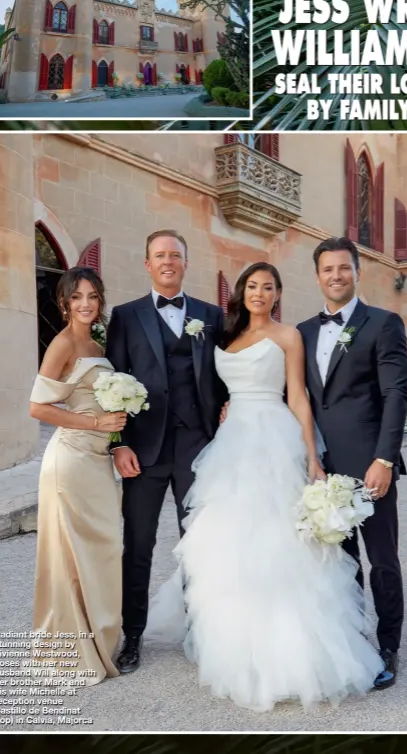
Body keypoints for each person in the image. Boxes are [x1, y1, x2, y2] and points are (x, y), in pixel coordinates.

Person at [145, 262, 383, 712]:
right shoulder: (223, 335)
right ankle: (231, 642)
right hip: (231, 444)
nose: (259, 293)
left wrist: (312, 455)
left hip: (275, 437)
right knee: (230, 542)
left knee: (280, 543)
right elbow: (210, 386)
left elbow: (297, 395)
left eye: (268, 287)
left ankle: (293, 653)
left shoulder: (288, 335)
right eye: (252, 286)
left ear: (278, 294)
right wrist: (225, 408)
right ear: (241, 292)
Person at [105, 229, 227, 675]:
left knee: (199, 545)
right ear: (147, 264)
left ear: (185, 263)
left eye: (175, 255)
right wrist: (117, 446)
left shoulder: (211, 315)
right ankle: (132, 636)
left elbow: (226, 373)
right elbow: (111, 385)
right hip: (143, 450)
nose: (168, 261)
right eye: (159, 255)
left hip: (198, 448)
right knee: (137, 544)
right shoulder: (126, 315)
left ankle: (202, 631)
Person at [297, 237, 407, 689]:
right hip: (323, 469)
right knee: (340, 561)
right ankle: (351, 638)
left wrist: (384, 458)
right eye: (328, 269)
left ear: (357, 271)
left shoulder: (383, 323)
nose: (336, 276)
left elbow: (396, 394)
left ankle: (389, 644)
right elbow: (297, 394)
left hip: (370, 466)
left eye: (344, 268)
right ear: (317, 275)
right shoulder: (303, 331)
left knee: (382, 558)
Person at [29, 267, 127, 686]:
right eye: (77, 297)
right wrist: (94, 425)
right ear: (64, 303)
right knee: (73, 554)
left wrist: (115, 434)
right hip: (69, 460)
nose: (86, 304)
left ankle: (99, 639)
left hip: (97, 461)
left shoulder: (95, 341)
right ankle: (73, 649)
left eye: (92, 296)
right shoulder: (64, 342)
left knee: (103, 546)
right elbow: (38, 408)